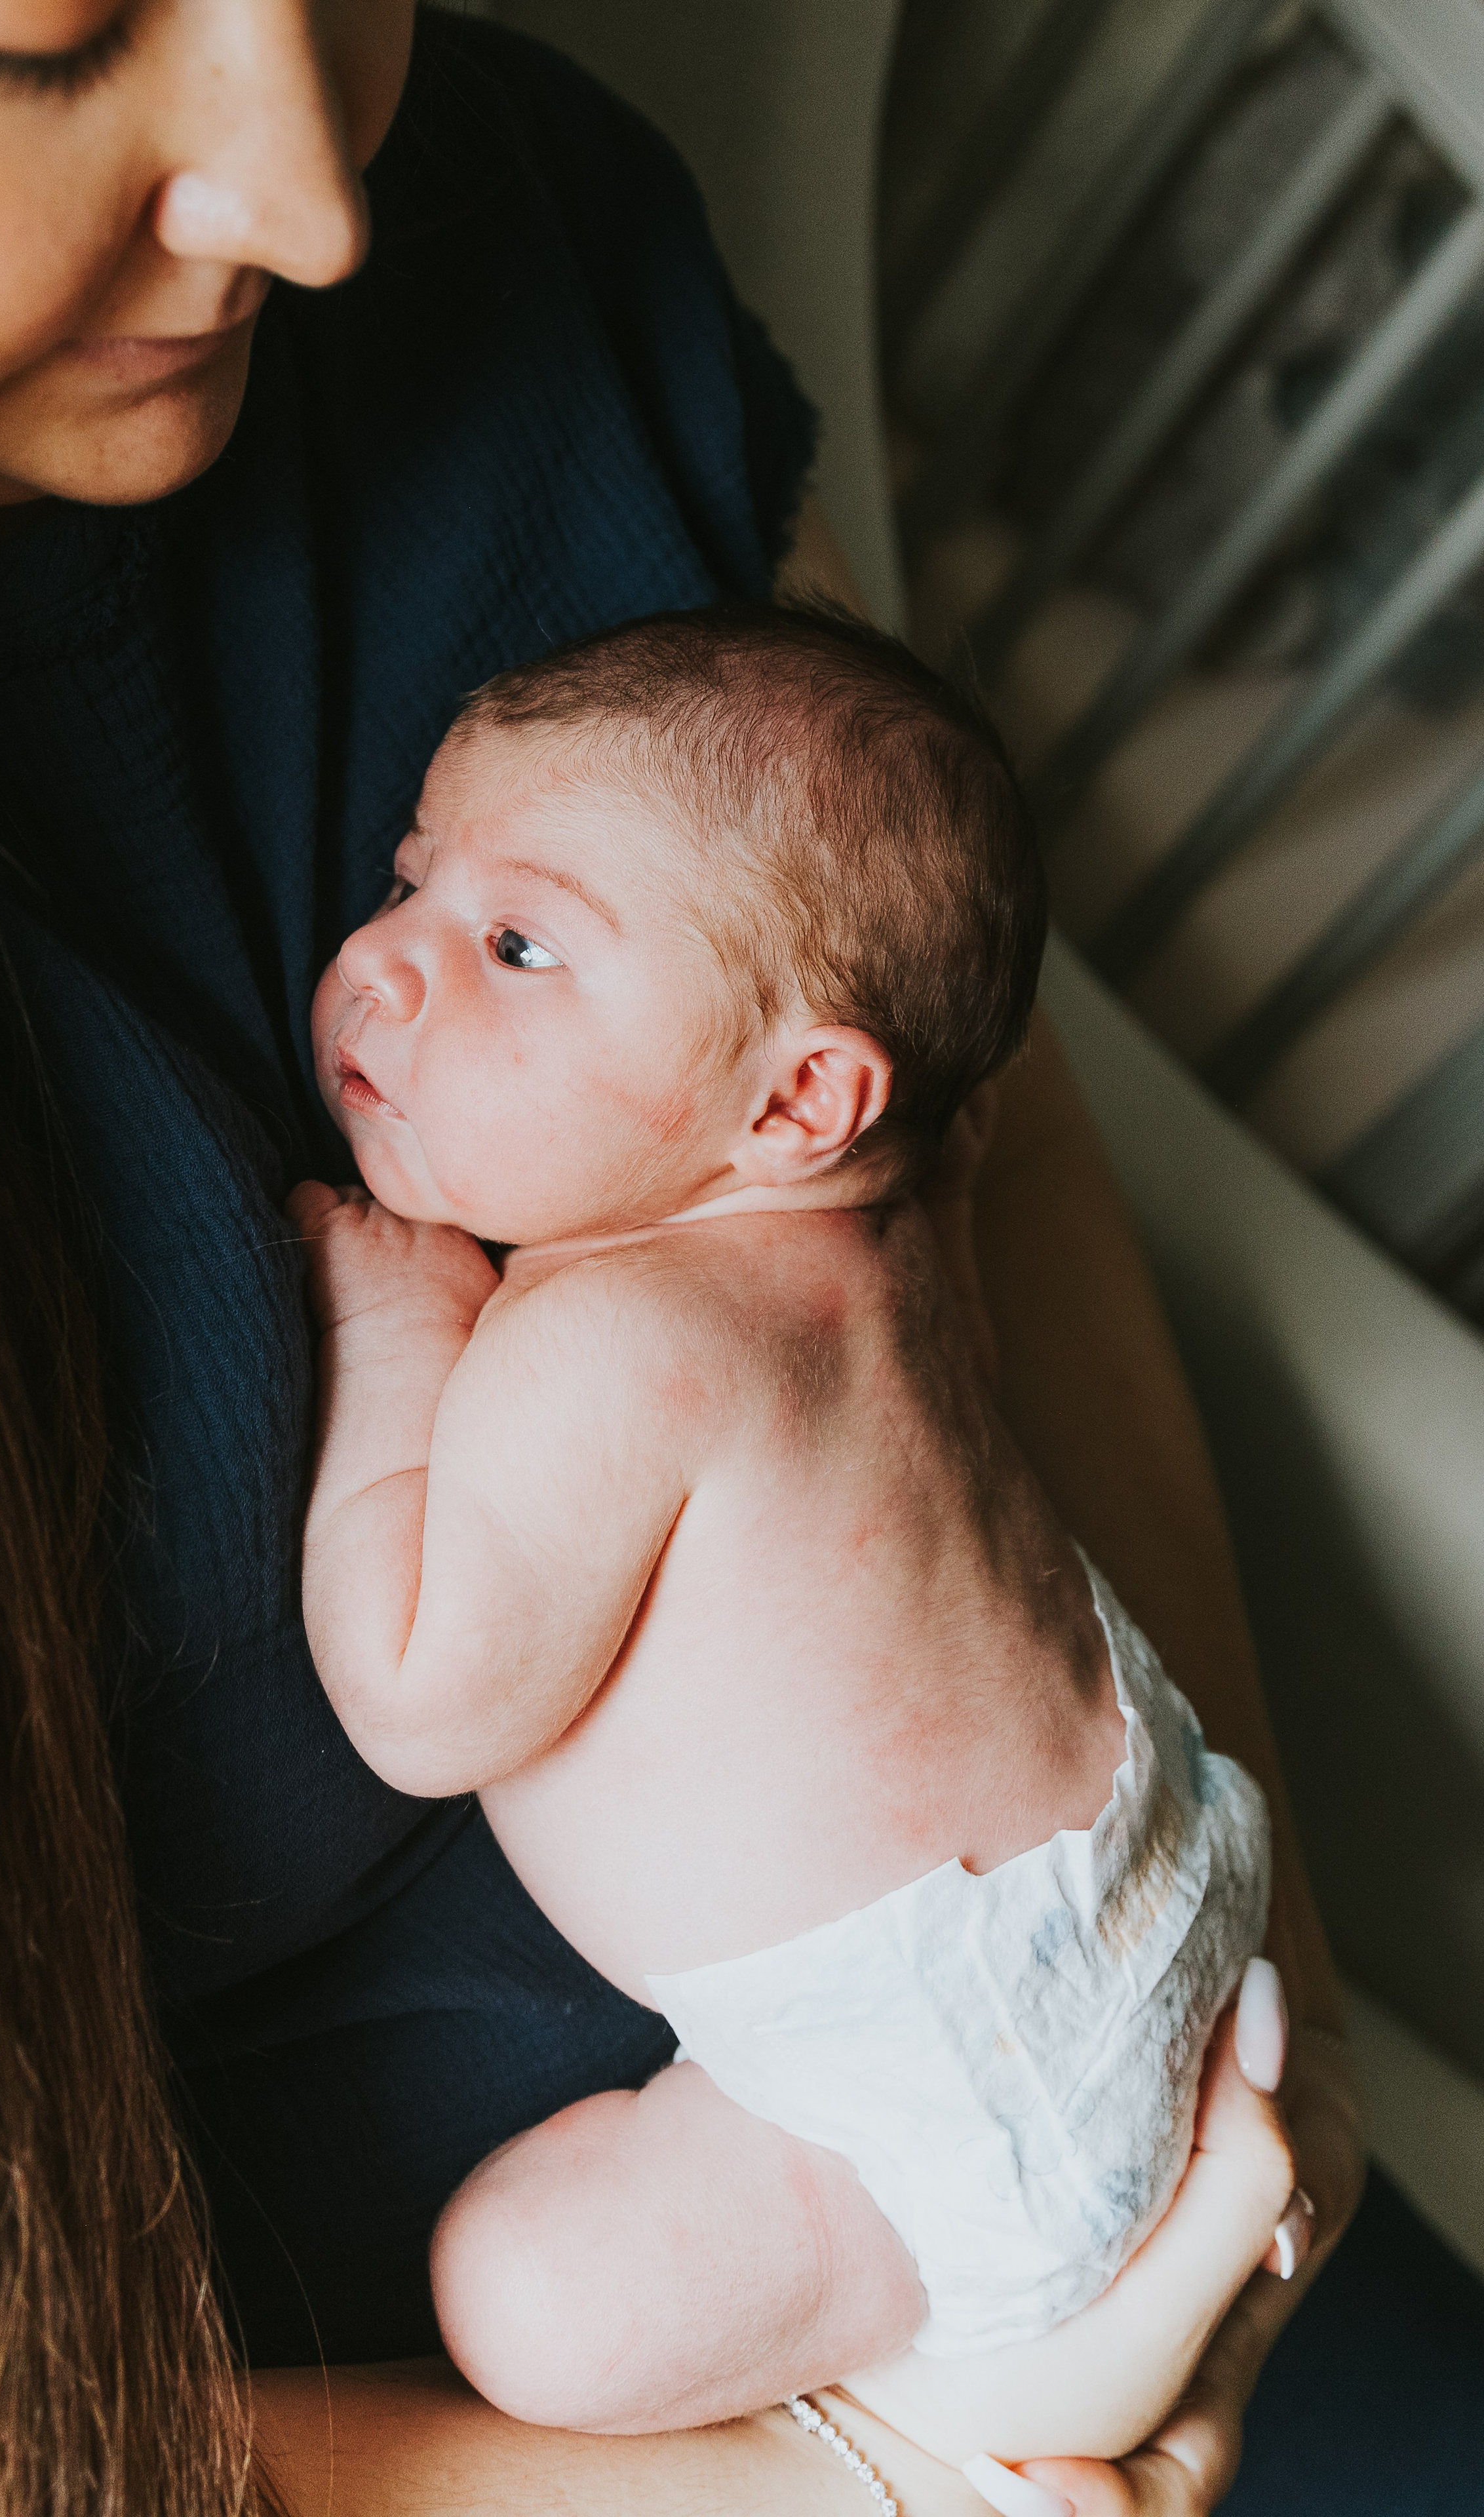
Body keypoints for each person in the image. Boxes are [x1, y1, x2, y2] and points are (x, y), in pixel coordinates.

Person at [0, 2, 1474, 2512]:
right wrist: (868, 2481)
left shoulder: (514, 234)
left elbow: (977, 1148)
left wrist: (1258, 2069)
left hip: (1103, 2172)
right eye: (37, 38)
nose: (314, 201)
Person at [292, 600, 1276, 2467]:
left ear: (800, 1097)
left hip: (925, 2102)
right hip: (1152, 1861)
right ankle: (1192, 2227)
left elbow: (422, 1700)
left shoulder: (617, 1339)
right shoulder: (897, 1253)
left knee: (523, 2294)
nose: (382, 966)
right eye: (413, 883)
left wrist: (390, 1336)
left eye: (517, 946)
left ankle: (1009, 2405)